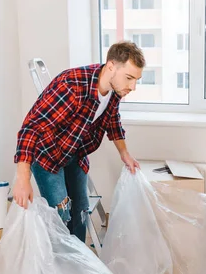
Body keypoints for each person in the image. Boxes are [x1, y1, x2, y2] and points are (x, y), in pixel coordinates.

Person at [12, 41, 144, 242]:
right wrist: (22, 179)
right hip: (48, 155)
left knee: (80, 214)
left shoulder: (115, 90)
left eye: (136, 80)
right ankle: (58, 268)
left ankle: (78, 268)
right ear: (110, 67)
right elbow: (30, 129)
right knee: (60, 218)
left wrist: (124, 153)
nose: (133, 87)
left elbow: (113, 120)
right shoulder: (71, 86)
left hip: (74, 151)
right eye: (129, 78)